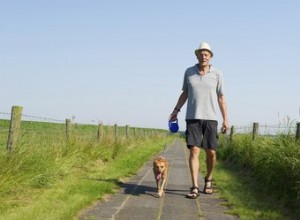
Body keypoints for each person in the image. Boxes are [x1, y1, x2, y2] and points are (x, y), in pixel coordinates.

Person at [169, 42, 229, 199]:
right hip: (192, 118)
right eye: (201, 53)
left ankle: (208, 179)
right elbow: (185, 93)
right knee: (194, 150)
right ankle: (194, 186)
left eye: (206, 54)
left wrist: (225, 120)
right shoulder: (189, 72)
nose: (203, 56)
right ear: (197, 55)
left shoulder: (217, 74)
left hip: (211, 118)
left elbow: (221, 98)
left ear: (210, 56)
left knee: (211, 153)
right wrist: (175, 111)